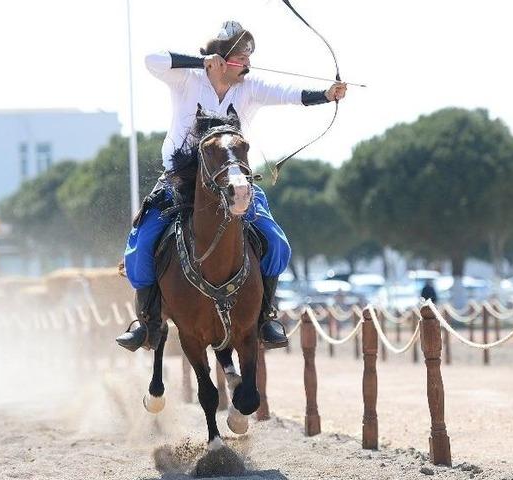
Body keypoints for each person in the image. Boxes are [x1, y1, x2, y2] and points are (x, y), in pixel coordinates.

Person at [116, 20, 347, 352]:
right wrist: (202, 62)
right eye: (241, 57)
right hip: (181, 181)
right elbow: (152, 60)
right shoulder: (188, 79)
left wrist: (327, 94)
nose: (248, 64)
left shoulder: (249, 88)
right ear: (222, 58)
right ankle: (147, 322)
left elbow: (289, 94)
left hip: (233, 184)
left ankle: (266, 316)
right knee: (143, 243)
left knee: (277, 243)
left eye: (249, 58)